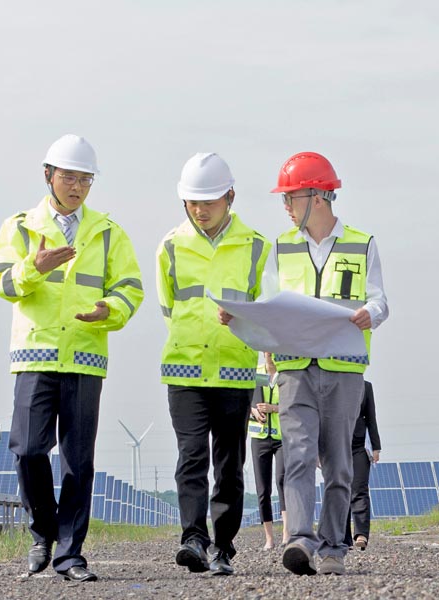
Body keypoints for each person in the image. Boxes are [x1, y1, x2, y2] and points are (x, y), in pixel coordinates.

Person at [0, 134, 144, 583]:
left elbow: (130, 288)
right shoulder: (20, 227)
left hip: (85, 356)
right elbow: (1, 283)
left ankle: (70, 554)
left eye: (85, 179)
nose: (77, 186)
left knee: (79, 460)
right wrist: (32, 269)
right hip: (35, 353)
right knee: (28, 449)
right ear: (48, 176)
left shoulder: (109, 232)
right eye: (69, 177)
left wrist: (109, 311)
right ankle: (43, 532)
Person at [266, 152, 389, 576]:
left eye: (291, 197)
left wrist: (370, 314)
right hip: (294, 369)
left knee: (337, 461)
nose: (285, 206)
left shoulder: (362, 243)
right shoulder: (279, 247)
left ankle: (334, 545)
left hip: (344, 368)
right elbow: (270, 304)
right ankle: (300, 540)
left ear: (318, 196)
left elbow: (380, 300)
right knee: (297, 455)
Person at [157, 153, 269, 577]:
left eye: (208, 201)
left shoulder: (256, 246)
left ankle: (223, 546)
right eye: (191, 202)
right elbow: (169, 307)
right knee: (190, 457)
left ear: (230, 197)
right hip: (184, 370)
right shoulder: (170, 245)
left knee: (228, 464)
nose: (200, 210)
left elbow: (264, 311)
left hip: (235, 373)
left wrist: (240, 322)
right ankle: (193, 538)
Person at [247, 356, 285, 550]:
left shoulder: (285, 373)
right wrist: (253, 411)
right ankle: (269, 538)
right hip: (259, 437)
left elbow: (295, 404)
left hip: (282, 438)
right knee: (263, 490)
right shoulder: (255, 373)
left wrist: (274, 409)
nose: (268, 354)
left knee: (282, 482)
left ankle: (287, 534)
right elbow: (243, 400)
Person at [347, 382, 382, 550]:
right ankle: (342, 537)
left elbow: (371, 417)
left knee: (359, 489)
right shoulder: (330, 382)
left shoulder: (365, 387)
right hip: (336, 446)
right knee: (339, 490)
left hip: (360, 446)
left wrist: (376, 447)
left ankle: (361, 534)